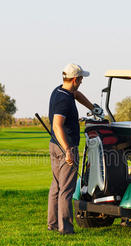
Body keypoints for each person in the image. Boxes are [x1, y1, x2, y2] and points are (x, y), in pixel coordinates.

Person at [47, 63, 101, 234]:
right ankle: (66, 228)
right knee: (66, 189)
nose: (82, 81)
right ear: (76, 79)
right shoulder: (63, 99)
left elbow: (76, 94)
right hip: (65, 147)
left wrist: (93, 108)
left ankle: (53, 224)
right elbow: (57, 126)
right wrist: (69, 150)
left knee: (56, 186)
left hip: (54, 145)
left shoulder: (60, 90)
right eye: (81, 79)